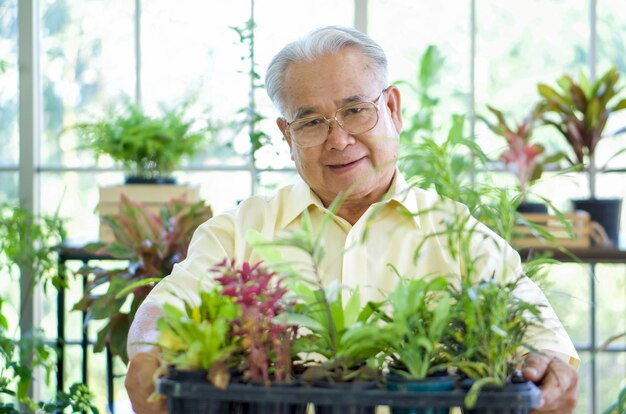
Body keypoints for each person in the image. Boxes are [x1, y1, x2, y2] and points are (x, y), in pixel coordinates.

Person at [124, 26, 579, 414]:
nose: (338, 140)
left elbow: (545, 347)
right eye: (311, 122)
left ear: (394, 109)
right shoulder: (239, 234)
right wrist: (148, 351)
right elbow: (167, 306)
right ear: (287, 135)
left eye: (356, 110)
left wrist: (547, 371)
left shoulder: (461, 239)